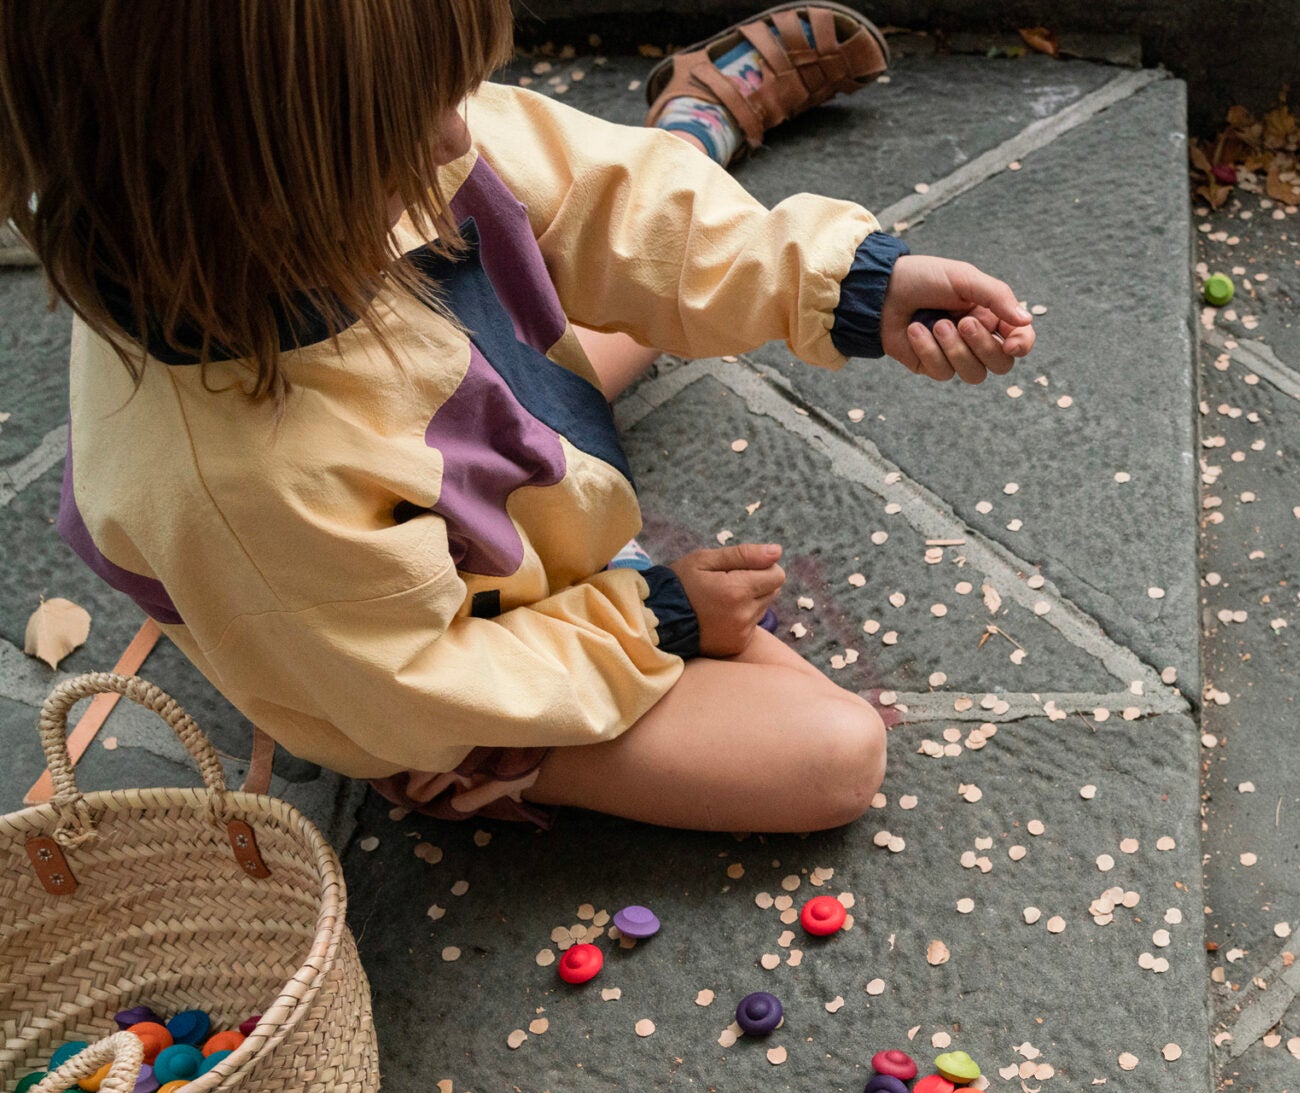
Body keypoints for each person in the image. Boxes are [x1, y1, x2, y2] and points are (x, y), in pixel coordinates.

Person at [0, 0, 1033, 831]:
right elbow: (417, 685)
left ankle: (692, 130)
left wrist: (848, 287)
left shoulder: (308, 161)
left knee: (646, 275)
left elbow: (594, 196)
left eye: (453, 91)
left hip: (453, 416)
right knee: (828, 756)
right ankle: (489, 770)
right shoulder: (245, 482)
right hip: (412, 660)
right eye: (421, 116)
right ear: (244, 184)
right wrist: (653, 618)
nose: (459, 130)